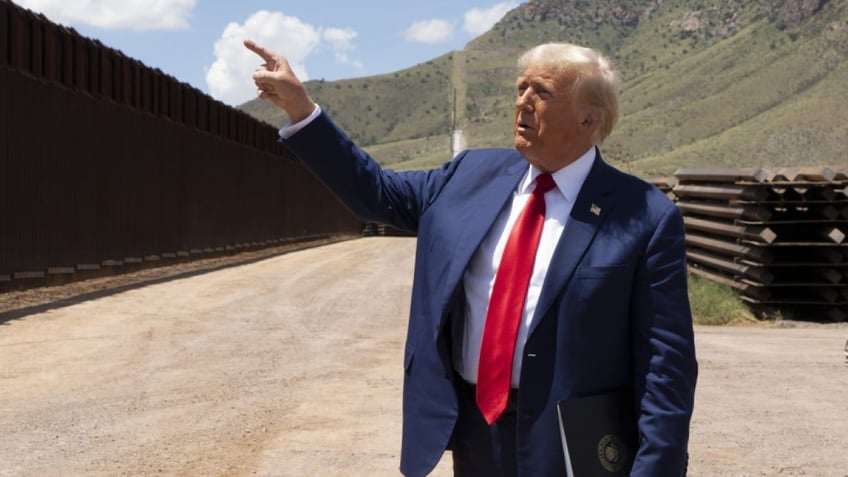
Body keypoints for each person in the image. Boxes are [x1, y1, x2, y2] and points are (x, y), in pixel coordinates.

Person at [245, 38, 698, 477]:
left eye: (542, 93)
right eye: (521, 88)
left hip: (573, 443)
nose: (522, 102)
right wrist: (301, 110)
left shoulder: (644, 216)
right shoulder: (469, 175)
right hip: (476, 431)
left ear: (588, 120)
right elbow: (375, 193)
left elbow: (666, 369)